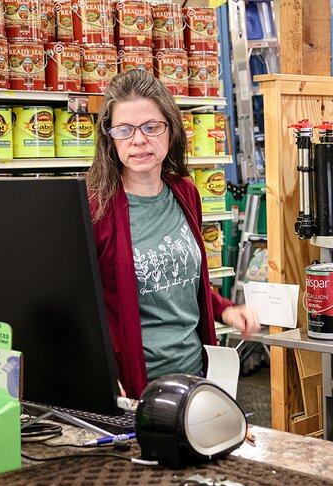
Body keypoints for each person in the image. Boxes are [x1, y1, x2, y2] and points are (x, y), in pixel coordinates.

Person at [87, 70, 259, 399]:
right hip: (137, 385)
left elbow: (178, 276)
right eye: (124, 130)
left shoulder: (184, 192)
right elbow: (77, 306)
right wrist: (101, 371)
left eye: (151, 127)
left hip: (194, 373)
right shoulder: (95, 207)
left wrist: (224, 308)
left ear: (171, 129)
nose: (139, 140)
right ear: (110, 138)